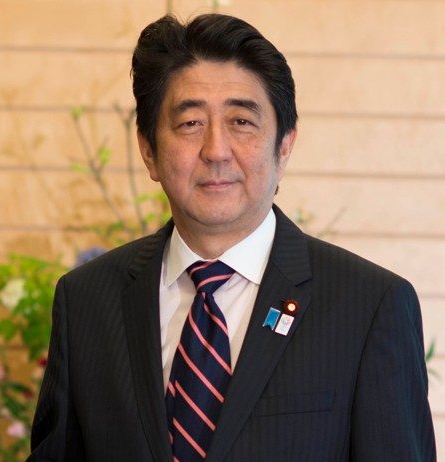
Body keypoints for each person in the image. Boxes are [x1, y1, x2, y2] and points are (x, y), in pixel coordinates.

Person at [28, 13, 436, 462]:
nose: (216, 151)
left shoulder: (370, 306)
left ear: (284, 146)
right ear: (148, 150)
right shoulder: (86, 301)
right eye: (190, 124)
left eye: (241, 121)